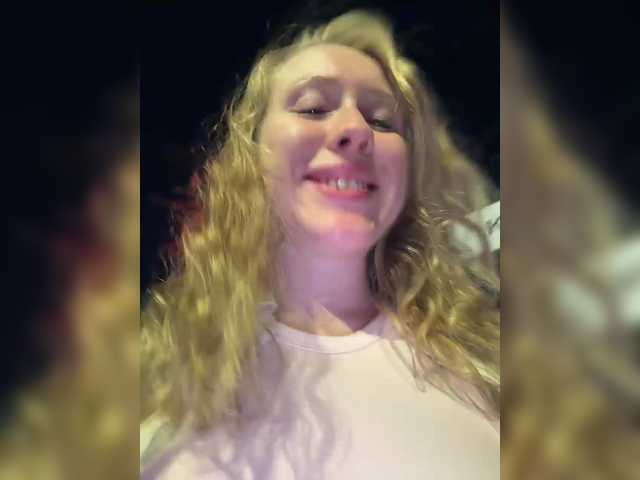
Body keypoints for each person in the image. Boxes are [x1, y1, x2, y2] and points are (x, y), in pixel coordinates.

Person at [141, 10, 499, 479]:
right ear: (251, 153)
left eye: (381, 120)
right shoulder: (157, 377)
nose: (357, 130)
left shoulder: (486, 362)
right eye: (312, 108)